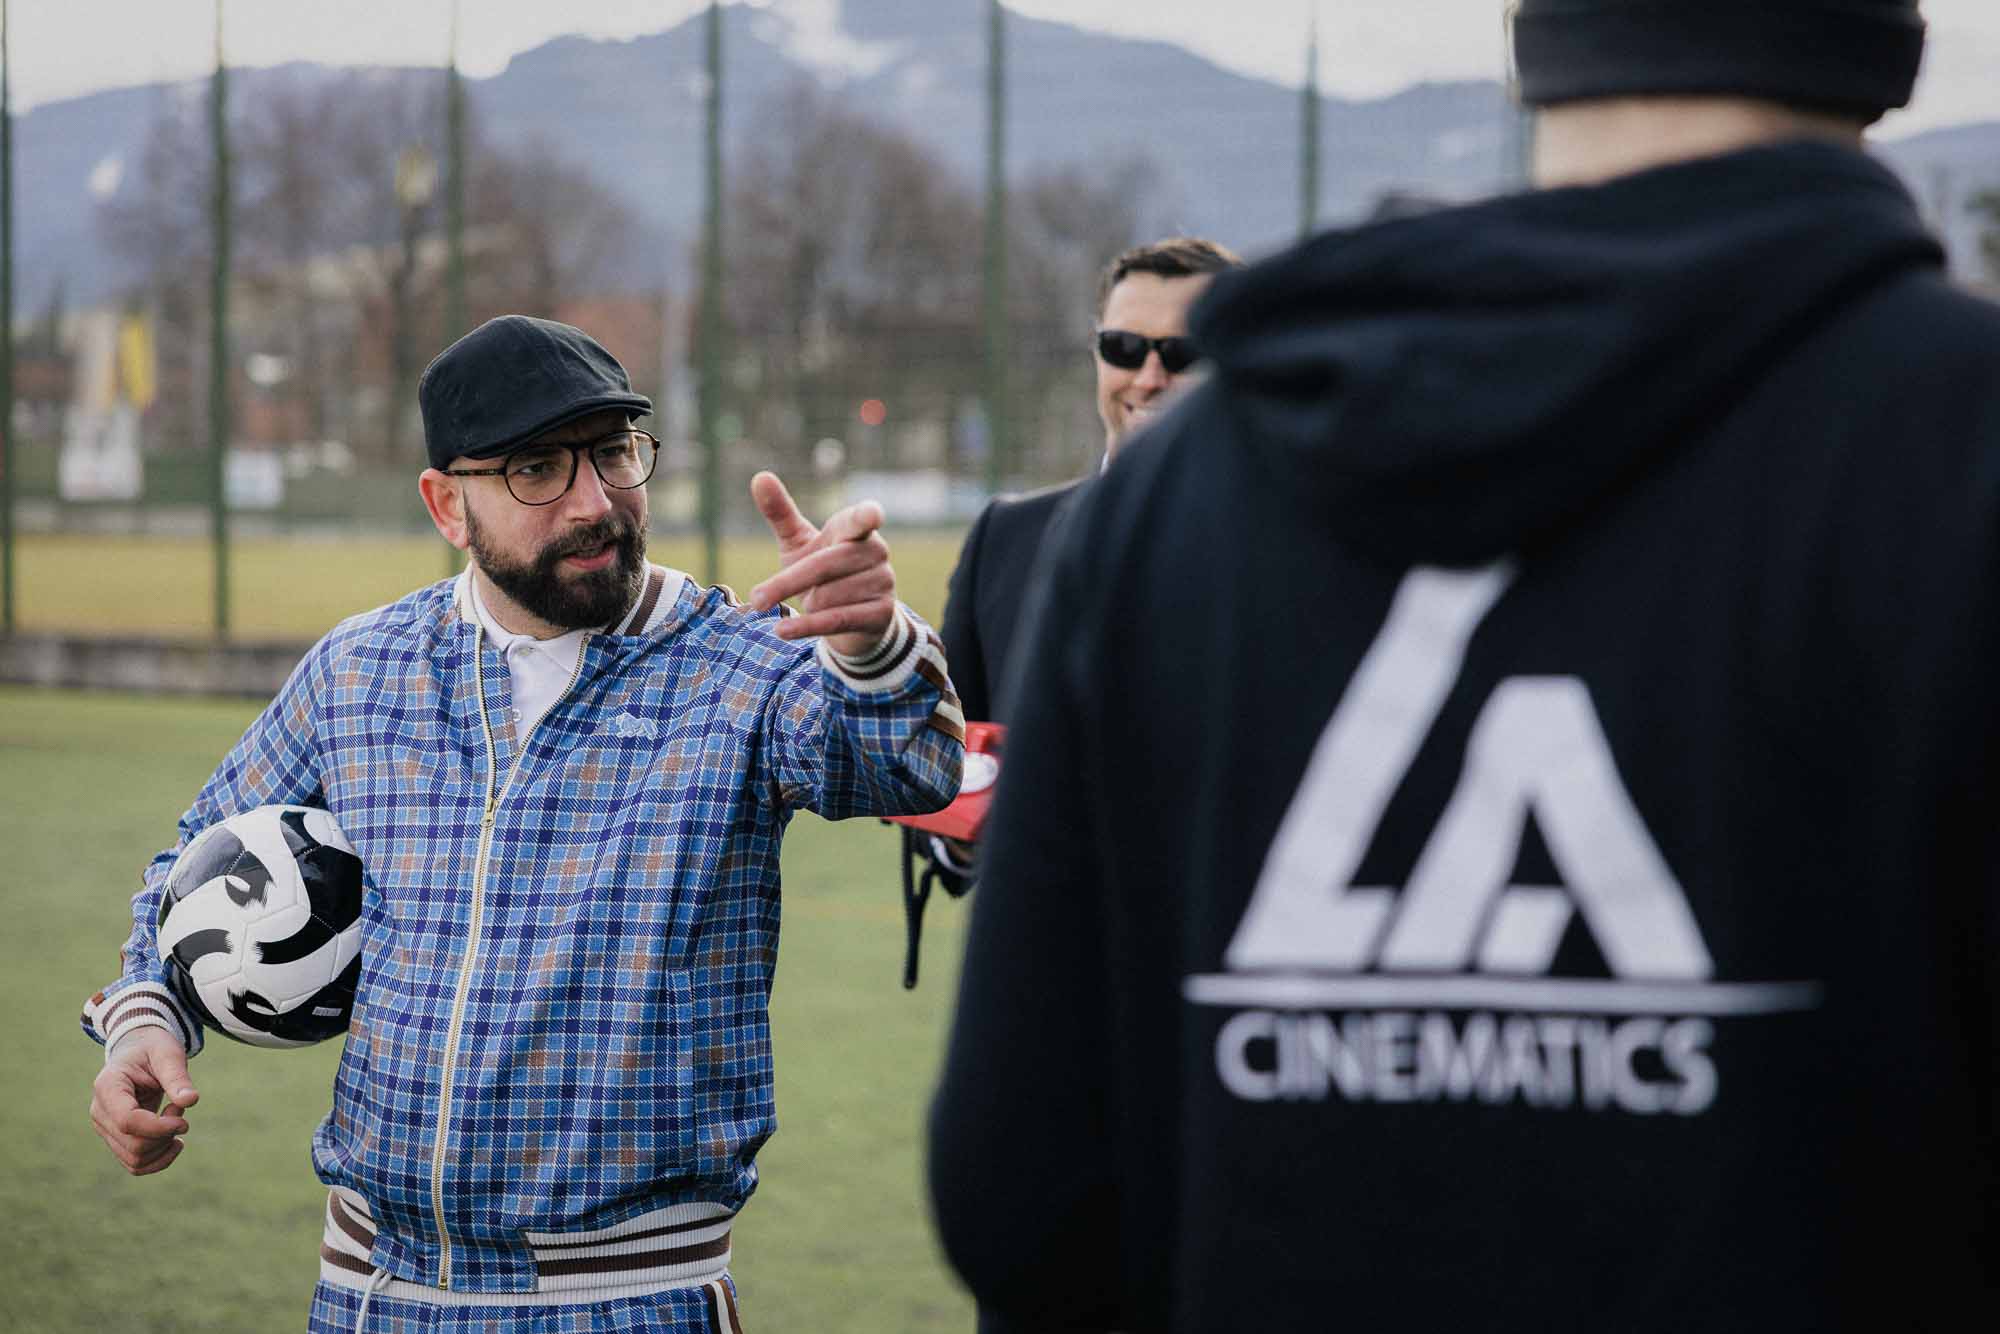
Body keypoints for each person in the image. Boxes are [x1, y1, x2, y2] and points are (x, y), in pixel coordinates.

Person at [929, 1, 1998, 1329]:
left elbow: (1017, 1180)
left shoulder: (1184, 489)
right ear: (1884, 48)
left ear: (1536, 43)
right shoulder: (1957, 441)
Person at [84, 314, 963, 1333]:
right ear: (445, 503)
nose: (594, 501)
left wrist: (873, 648)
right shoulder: (361, 670)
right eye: (538, 468)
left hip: (630, 1301)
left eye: (613, 454)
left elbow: (906, 762)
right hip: (372, 1296)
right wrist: (146, 1021)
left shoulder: (741, 666)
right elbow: (190, 864)